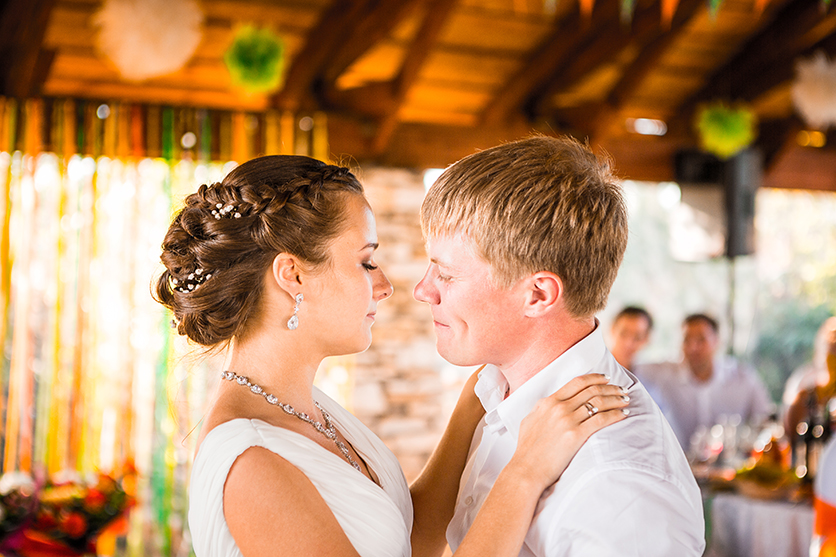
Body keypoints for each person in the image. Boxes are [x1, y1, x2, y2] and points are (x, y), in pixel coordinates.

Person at [154, 155, 630, 557]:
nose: (386, 286)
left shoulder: (306, 408)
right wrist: (525, 473)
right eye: (365, 262)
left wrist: (478, 400)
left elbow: (406, 541)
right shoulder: (253, 462)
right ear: (292, 276)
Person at [413, 135, 705, 556]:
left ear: (538, 295)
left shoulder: (619, 485)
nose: (423, 291)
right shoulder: (494, 392)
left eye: (447, 274)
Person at [642, 313, 774, 451]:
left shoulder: (743, 377)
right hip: (678, 467)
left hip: (732, 468)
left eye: (701, 340)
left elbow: (766, 423)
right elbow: (625, 367)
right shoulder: (663, 374)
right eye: (687, 340)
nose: (693, 347)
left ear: (716, 341)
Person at [608, 306, 653, 370]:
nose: (628, 343)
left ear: (646, 339)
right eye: (623, 334)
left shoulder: (648, 375)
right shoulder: (592, 370)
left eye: (637, 338)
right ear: (612, 329)